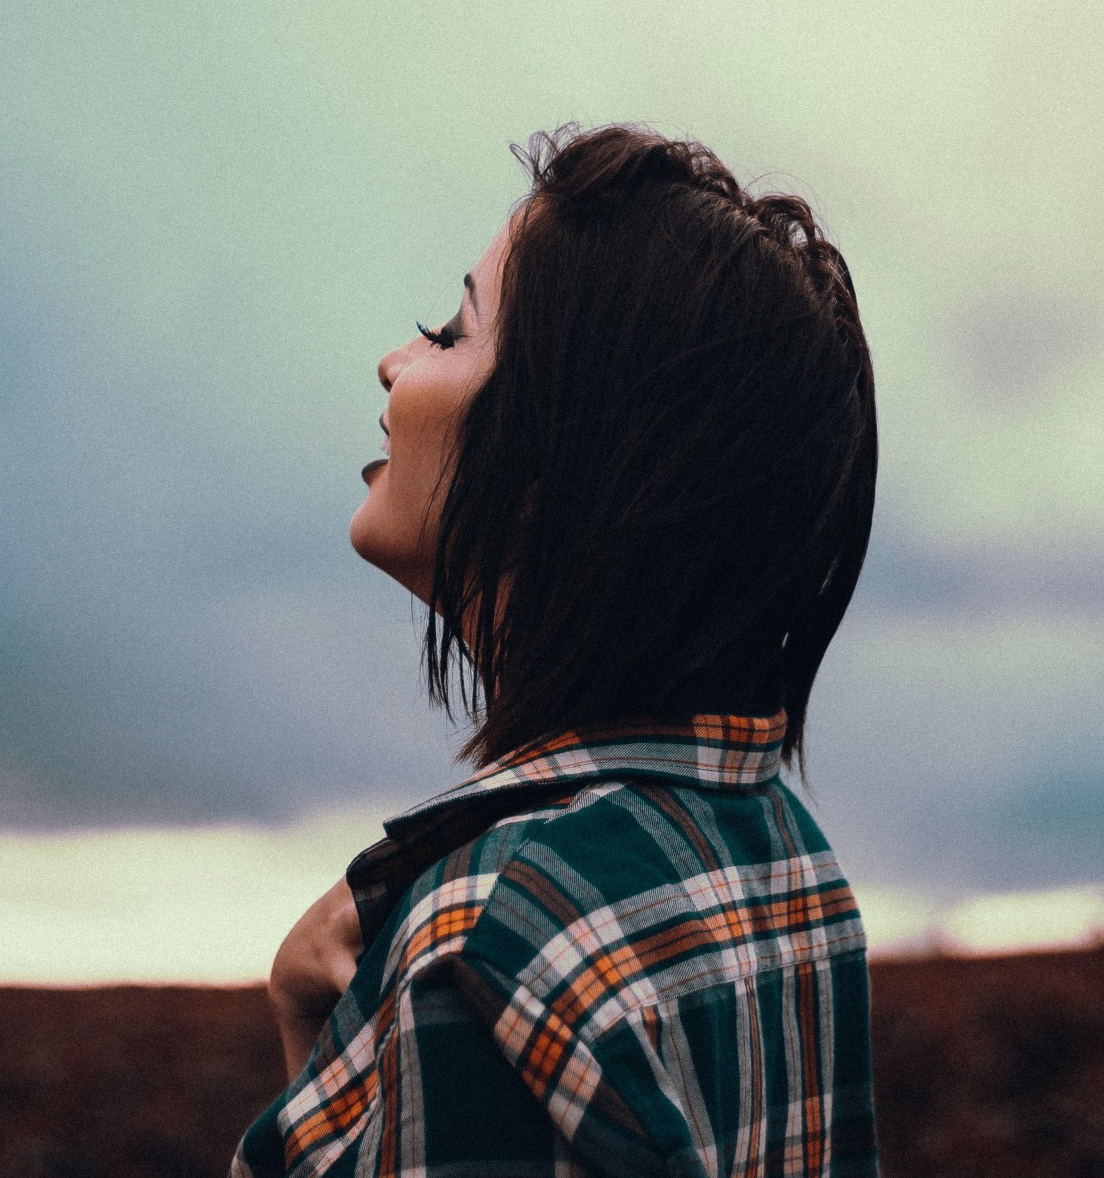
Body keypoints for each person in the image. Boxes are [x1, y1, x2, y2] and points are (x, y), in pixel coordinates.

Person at [232, 123, 880, 1178]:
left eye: (447, 333)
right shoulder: (793, 863)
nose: (393, 362)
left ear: (551, 473)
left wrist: (326, 1037)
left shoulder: (479, 940)